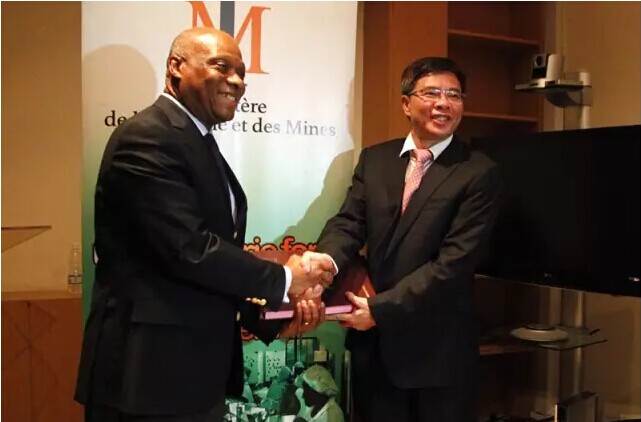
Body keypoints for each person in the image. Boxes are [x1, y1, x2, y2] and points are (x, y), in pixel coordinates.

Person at [75, 27, 335, 422]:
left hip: (190, 375)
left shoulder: (196, 139)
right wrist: (285, 279)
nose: (237, 81)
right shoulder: (148, 136)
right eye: (221, 66)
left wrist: (269, 318)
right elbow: (189, 249)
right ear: (176, 67)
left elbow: (210, 255)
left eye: (241, 73)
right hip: (145, 376)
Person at [311, 57, 503, 421]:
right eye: (431, 93)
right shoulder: (375, 159)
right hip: (374, 350)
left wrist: (380, 311)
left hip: (436, 356)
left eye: (454, 95)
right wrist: (325, 262)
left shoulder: (479, 172)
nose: (444, 103)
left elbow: (453, 265)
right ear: (406, 103)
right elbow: (349, 223)